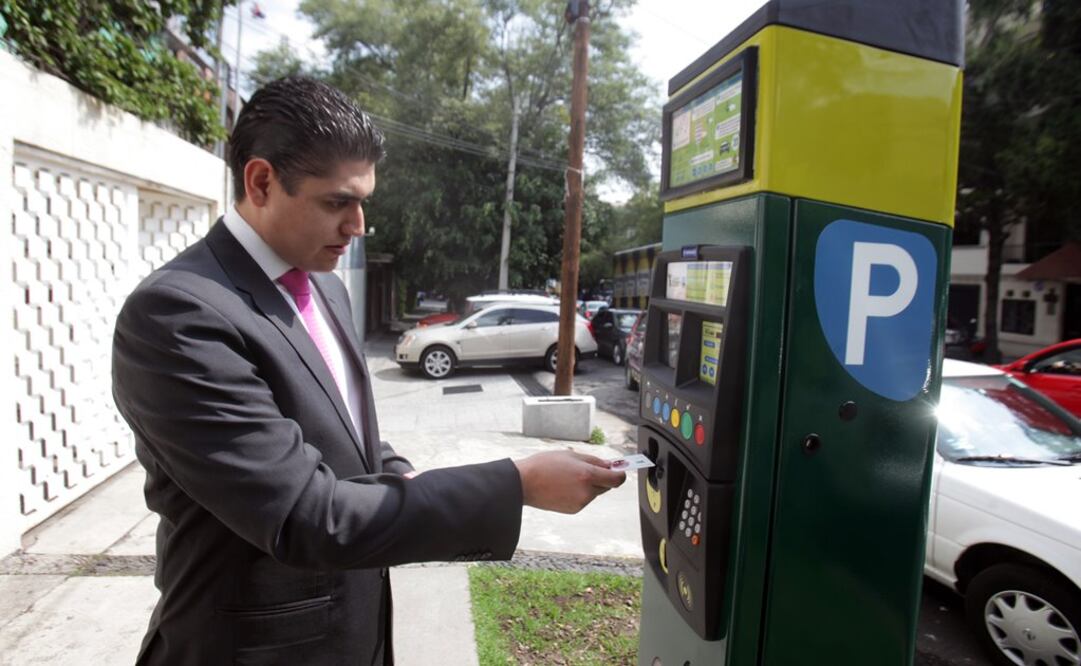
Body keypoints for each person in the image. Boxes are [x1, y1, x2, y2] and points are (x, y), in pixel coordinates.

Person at [111, 76, 626, 666]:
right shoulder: (180, 315)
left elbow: (344, 431)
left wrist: (396, 471)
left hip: (355, 629)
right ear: (261, 182)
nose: (357, 226)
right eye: (337, 202)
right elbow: (307, 517)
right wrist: (518, 483)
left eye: (363, 203)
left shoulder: (326, 291)